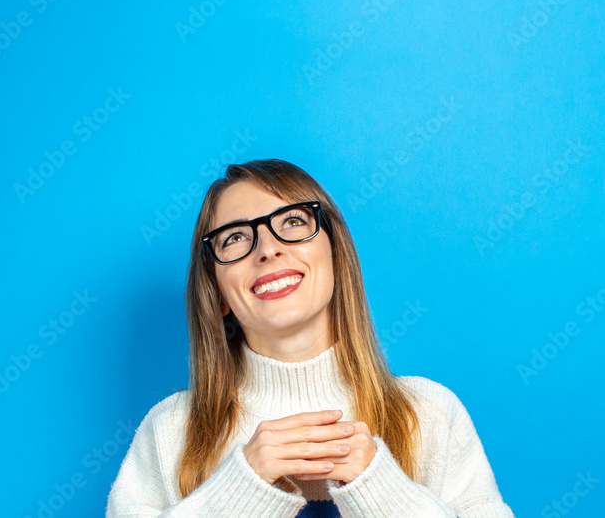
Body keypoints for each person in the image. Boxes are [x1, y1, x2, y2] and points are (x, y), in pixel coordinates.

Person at [106, 159, 515, 517]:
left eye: (294, 222)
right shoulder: (172, 429)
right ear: (218, 294)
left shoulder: (428, 414)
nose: (267, 249)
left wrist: (382, 490)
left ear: (336, 256)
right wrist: (241, 489)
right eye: (235, 238)